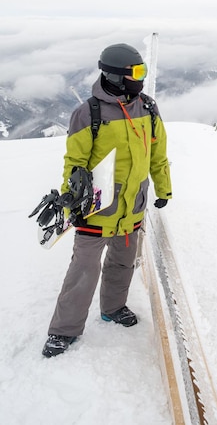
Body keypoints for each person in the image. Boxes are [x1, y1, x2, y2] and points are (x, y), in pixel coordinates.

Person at [42, 43, 172, 358]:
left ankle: (113, 307)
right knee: (83, 270)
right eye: (136, 73)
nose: (141, 79)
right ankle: (64, 330)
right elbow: (74, 164)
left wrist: (163, 189)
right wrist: (74, 203)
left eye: (143, 72)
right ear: (115, 76)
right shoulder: (88, 113)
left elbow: (158, 155)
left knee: (123, 263)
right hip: (96, 210)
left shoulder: (149, 109)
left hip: (133, 207)